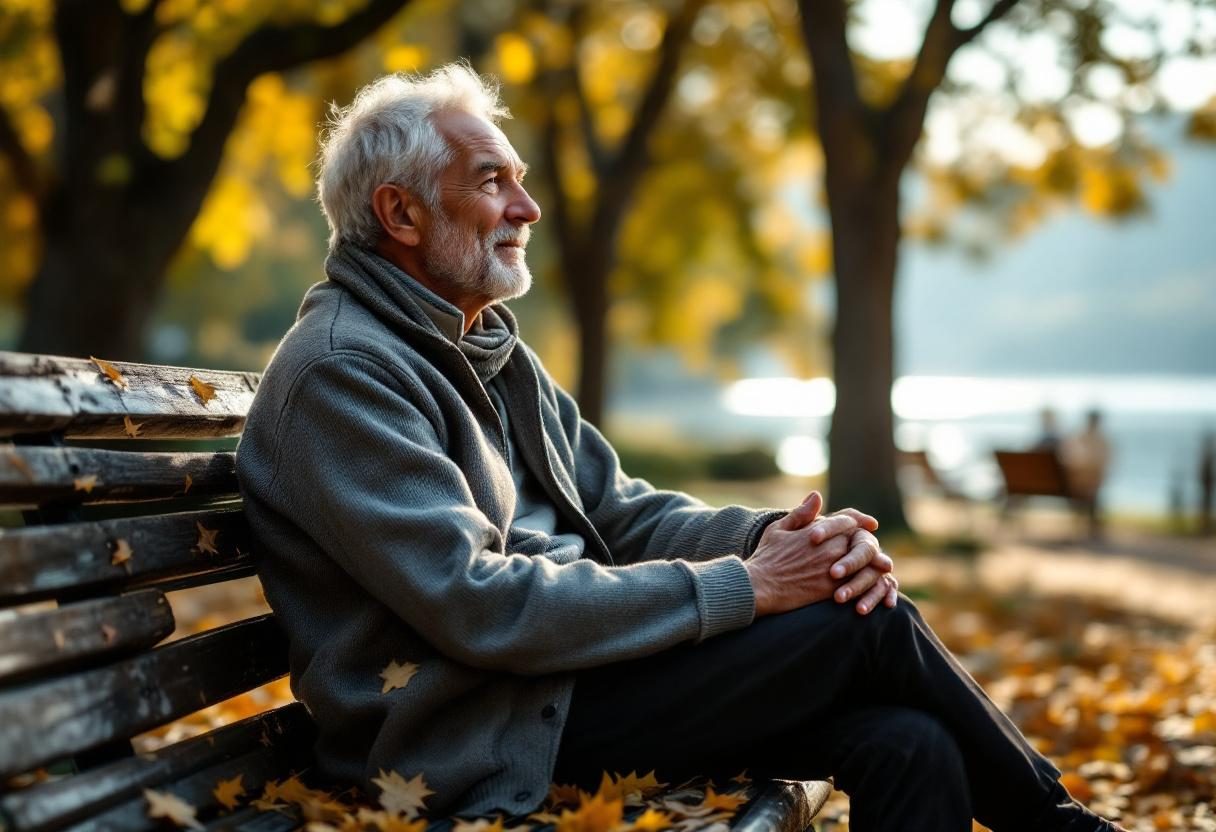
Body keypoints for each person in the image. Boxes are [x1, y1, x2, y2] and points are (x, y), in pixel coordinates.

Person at [235, 65, 1123, 832]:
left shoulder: (486, 349)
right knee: (868, 622)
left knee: (910, 743)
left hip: (573, 685)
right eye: (492, 181)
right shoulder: (344, 373)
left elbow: (621, 512)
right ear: (401, 213)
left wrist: (775, 540)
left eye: (520, 180)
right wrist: (752, 586)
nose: (528, 207)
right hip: (477, 731)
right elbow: (478, 603)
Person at [1061, 409, 1111, 539]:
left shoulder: (1077, 437)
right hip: (1085, 484)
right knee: (1092, 489)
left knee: (1089, 486)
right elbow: (1104, 463)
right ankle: (1093, 525)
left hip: (1072, 482)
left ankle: (1091, 523)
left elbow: (1068, 459)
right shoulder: (1100, 440)